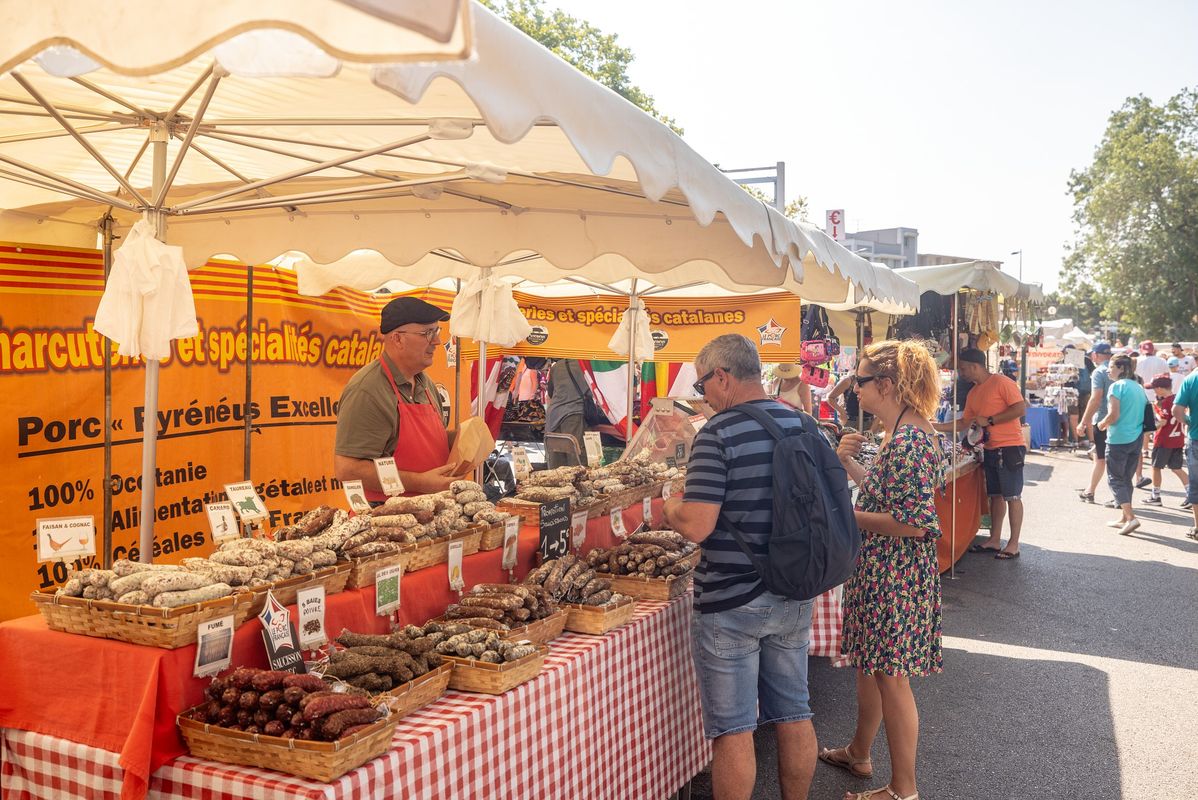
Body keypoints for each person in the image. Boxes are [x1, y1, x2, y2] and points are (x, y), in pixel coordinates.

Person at [662, 334, 820, 800]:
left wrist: (670, 506)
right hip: (794, 589)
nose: (702, 393)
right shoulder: (803, 424)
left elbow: (696, 525)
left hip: (731, 600)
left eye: (703, 383)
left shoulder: (719, 433)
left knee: (734, 730)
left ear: (723, 377)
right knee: (794, 712)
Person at [820, 339, 943, 800]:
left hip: (895, 577)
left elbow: (913, 524)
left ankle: (903, 790)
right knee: (873, 669)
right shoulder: (905, 432)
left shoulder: (909, 439)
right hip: (886, 573)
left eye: (862, 381)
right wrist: (848, 462)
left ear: (888, 385)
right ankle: (859, 751)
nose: (855, 389)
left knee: (892, 679)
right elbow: (888, 495)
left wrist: (843, 515)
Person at [334, 297, 456, 502]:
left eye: (437, 332)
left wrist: (466, 439)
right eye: (427, 333)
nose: (436, 342)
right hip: (386, 520)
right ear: (397, 339)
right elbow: (347, 470)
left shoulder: (425, 383)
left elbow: (431, 444)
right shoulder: (368, 390)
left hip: (430, 514)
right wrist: (420, 482)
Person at [934, 348, 1027, 559]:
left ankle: (1013, 543)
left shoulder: (1002, 382)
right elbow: (965, 422)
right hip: (990, 448)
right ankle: (995, 539)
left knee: (1012, 496)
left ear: (975, 366)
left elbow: (1020, 408)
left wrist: (991, 420)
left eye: (963, 368)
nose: (961, 373)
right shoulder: (974, 392)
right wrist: (936, 427)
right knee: (995, 495)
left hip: (1010, 447)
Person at [1098, 354, 1147, 535]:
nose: (1108, 370)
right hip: (1136, 438)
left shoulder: (1116, 386)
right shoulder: (1138, 387)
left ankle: (1130, 517)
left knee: (1116, 479)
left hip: (1119, 439)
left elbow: (1113, 415)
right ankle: (1124, 518)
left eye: (1110, 367)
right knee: (1126, 478)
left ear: (1120, 368)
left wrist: (1102, 424)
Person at [1076, 342, 1114, 503]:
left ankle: (1091, 491)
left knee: (1101, 458)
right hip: (1122, 420)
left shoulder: (1100, 372)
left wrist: (1083, 422)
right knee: (1112, 457)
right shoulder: (1123, 370)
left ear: (1096, 355)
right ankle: (1091, 490)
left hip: (1103, 421)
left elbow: (1095, 398)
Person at [1144, 374, 1188, 506]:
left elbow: (1163, 421)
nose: (1154, 391)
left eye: (1155, 388)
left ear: (1161, 388)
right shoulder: (1177, 399)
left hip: (1164, 440)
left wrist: (1149, 426)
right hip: (1177, 439)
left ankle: (1155, 496)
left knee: (1156, 467)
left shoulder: (1167, 402)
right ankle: (1191, 493)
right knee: (1177, 468)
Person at [545, 358, 592, 468]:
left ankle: (557, 483)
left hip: (554, 415)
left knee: (556, 457)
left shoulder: (555, 367)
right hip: (573, 413)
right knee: (575, 458)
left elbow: (551, 392)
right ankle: (576, 484)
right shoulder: (585, 364)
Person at [1171, 367, 1198, 538]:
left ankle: (1197, 527)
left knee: (1196, 483)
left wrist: (1189, 422)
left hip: (1196, 438)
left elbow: (1176, 411)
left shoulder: (1192, 378)